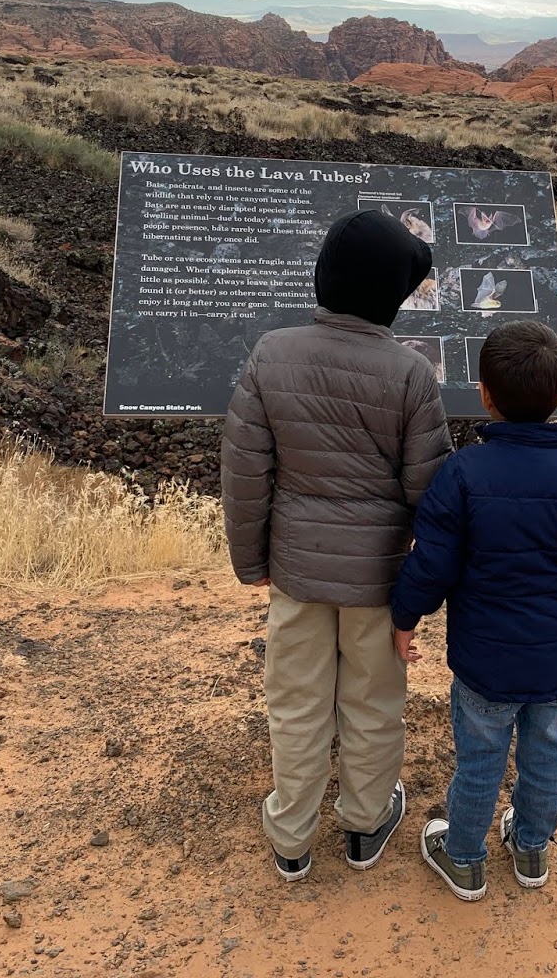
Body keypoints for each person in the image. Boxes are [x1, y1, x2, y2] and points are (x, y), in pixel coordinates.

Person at [222, 209, 452, 882]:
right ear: (393, 294)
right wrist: (424, 584)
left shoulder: (272, 353)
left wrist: (251, 560)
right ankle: (365, 823)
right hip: (378, 581)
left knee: (295, 703)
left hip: (296, 572)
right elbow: (429, 492)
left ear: (324, 276)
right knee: (372, 703)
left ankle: (291, 837)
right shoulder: (411, 374)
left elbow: (245, 471)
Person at [389, 321, 557, 900]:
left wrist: (405, 617)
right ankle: (530, 848)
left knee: (480, 758)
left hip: (483, 660)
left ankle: (463, 857)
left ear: (484, 394)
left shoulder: (462, 474)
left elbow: (432, 564)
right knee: (547, 749)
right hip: (553, 656)